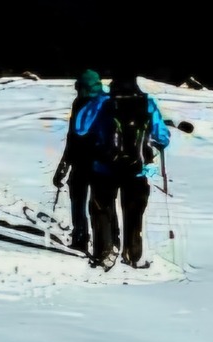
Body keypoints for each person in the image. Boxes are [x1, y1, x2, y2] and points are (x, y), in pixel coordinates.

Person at [73, 70, 173, 269]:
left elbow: (80, 128)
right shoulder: (147, 102)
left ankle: (104, 252)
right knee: (134, 212)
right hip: (137, 169)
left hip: (103, 167)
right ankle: (133, 255)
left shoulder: (102, 102)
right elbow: (162, 137)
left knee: (102, 209)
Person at [50, 70, 108, 251]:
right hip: (100, 161)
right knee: (95, 203)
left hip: (85, 160)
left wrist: (64, 164)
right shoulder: (105, 102)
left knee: (80, 200)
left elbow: (73, 137)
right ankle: (102, 243)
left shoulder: (85, 103)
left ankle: (82, 237)